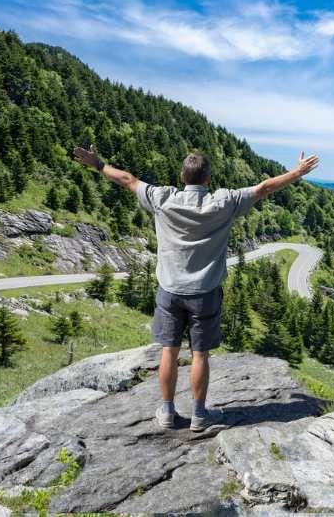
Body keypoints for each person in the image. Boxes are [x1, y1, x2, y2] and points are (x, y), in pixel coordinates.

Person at [72, 147, 320, 432]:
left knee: (169, 351)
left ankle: (167, 412)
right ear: (208, 179)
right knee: (200, 355)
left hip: (170, 290)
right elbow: (264, 188)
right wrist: (297, 173)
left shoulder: (162, 198)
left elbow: (127, 179)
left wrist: (98, 164)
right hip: (204, 293)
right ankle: (200, 415)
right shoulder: (224, 202)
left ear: (182, 176)